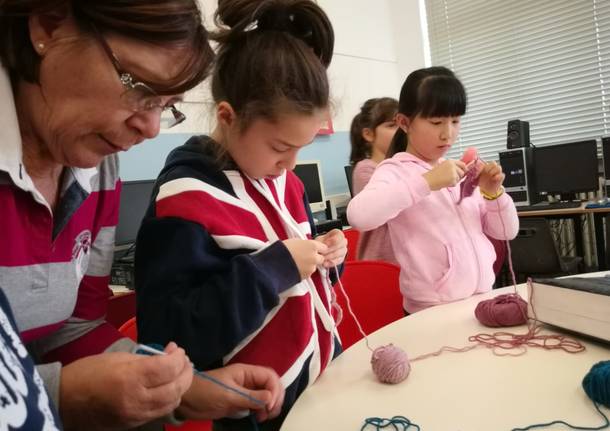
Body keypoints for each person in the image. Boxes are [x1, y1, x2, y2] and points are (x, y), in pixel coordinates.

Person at [0, 1, 283, 429]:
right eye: (140, 87)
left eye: (166, 105)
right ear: (49, 25)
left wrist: (182, 391)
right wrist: (64, 394)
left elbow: (75, 328)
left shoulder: (96, 166)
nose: (150, 128)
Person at [134, 0, 346, 429]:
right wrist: (273, 270)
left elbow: (299, 287)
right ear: (228, 117)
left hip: (322, 393)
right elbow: (167, 335)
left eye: (301, 148)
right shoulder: (185, 195)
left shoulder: (285, 183)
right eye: (280, 147)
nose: (291, 164)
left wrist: (325, 258)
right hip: (255, 412)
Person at [347, 66, 519, 314]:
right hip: (432, 309)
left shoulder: (457, 171)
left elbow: (506, 231)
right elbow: (359, 216)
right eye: (437, 122)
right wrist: (426, 182)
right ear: (404, 123)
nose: (447, 134)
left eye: (455, 121)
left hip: (480, 299)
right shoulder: (394, 171)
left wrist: (494, 194)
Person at [348, 97, 399, 263]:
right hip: (382, 262)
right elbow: (392, 203)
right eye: (392, 125)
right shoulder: (366, 169)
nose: (401, 131)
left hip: (404, 261)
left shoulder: (402, 166)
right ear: (369, 134)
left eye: (403, 124)